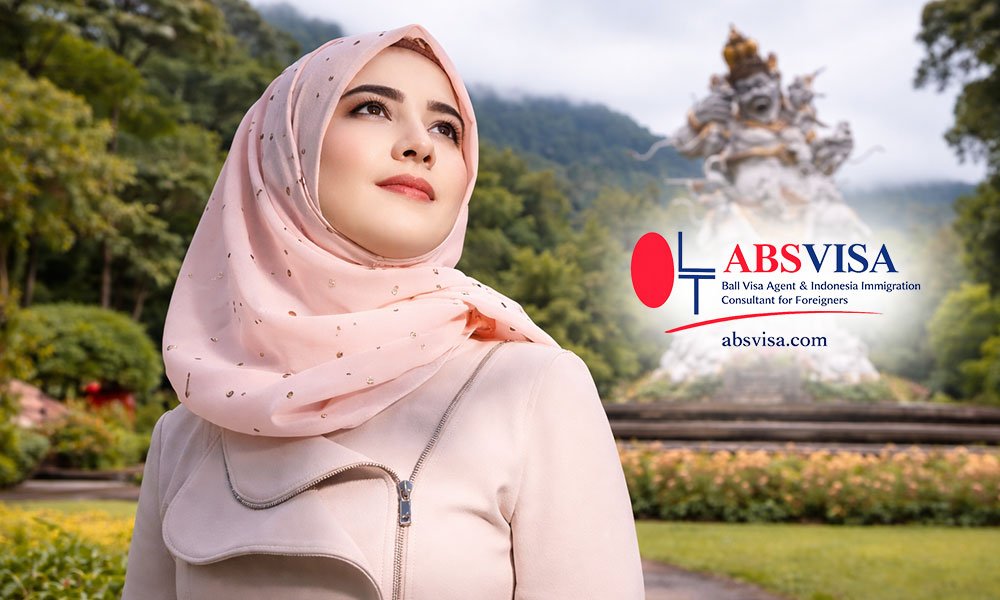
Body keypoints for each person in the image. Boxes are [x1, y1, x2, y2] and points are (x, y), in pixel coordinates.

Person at [122, 24, 644, 599]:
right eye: (371, 108)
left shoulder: (532, 387)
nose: (420, 144)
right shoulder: (187, 432)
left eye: (446, 129)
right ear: (284, 149)